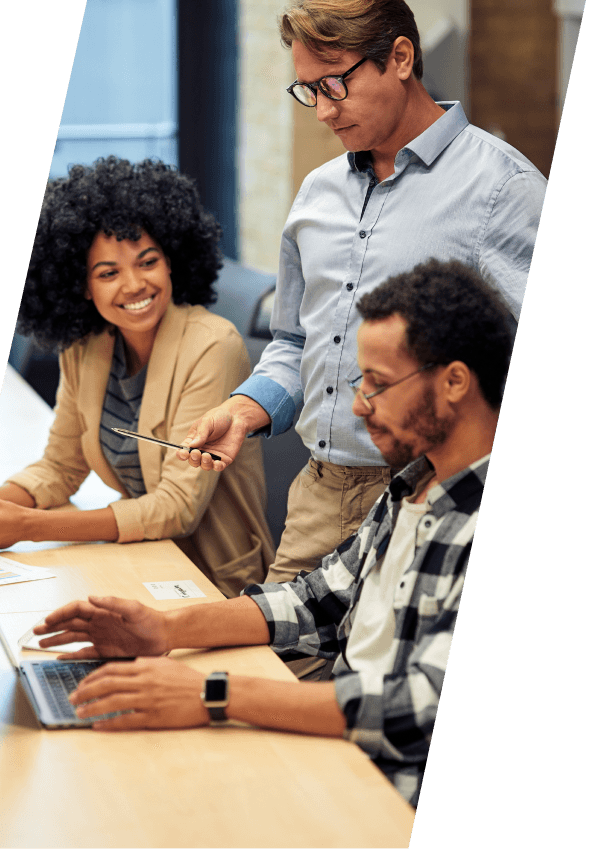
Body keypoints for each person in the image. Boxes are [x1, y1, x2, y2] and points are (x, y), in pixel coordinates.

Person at [34, 259, 512, 807]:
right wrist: (165, 631)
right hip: (341, 760)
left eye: (377, 385)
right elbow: (318, 599)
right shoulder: (412, 484)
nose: (358, 406)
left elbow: (421, 709)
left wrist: (213, 694)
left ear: (455, 381)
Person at [176, 0, 546, 582]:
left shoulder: (503, 189)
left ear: (400, 57)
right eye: (307, 91)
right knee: (274, 669)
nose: (323, 110)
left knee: (405, 678)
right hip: (321, 496)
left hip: (442, 501)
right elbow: (296, 342)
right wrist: (245, 410)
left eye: (335, 84)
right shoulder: (316, 195)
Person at [0, 157, 274, 598]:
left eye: (147, 262)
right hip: (141, 561)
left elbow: (177, 507)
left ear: (172, 261)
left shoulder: (213, 346)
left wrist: (30, 527)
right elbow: (60, 467)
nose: (133, 285)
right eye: (108, 273)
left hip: (217, 583)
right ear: (81, 286)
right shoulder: (87, 344)